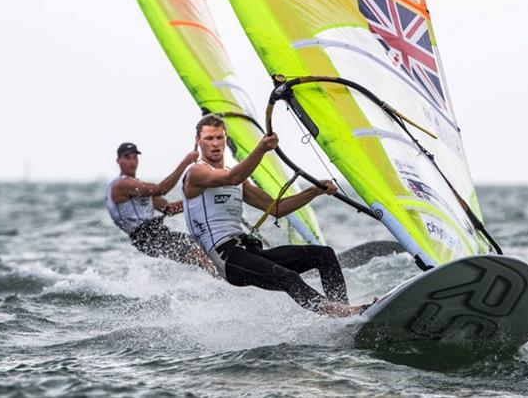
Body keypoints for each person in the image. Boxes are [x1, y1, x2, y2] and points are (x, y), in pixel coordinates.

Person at [181, 114, 365, 317]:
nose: (215, 144)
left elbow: (276, 208)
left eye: (219, 138)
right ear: (198, 141)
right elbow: (233, 177)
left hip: (249, 252)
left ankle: (344, 314)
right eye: (209, 138)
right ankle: (341, 313)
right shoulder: (196, 173)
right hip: (229, 259)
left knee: (324, 255)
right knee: (289, 278)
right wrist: (261, 149)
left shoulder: (239, 182)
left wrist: (314, 191)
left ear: (226, 139)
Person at [105, 142, 215, 273]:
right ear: (118, 161)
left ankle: (221, 278)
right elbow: (161, 189)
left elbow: (169, 209)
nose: (132, 161)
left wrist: (202, 197)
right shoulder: (121, 185)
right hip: (145, 237)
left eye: (134, 157)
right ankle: (223, 283)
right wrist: (186, 162)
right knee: (198, 253)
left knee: (203, 247)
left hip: (158, 233)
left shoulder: (138, 187)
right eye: (127, 157)